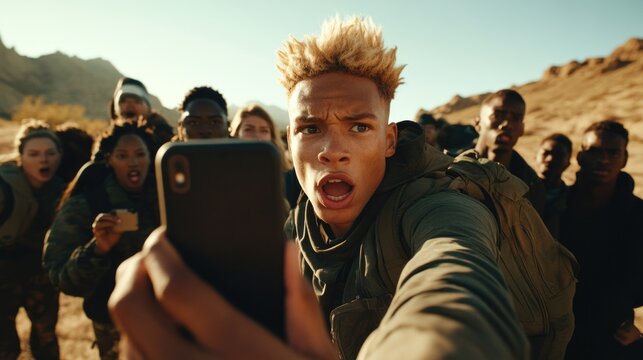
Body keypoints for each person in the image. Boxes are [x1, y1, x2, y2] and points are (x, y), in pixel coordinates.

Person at [109, 16, 528, 359]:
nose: (332, 151)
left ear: (389, 141)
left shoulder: (441, 207)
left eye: (359, 126)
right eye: (311, 128)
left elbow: (457, 284)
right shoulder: (295, 226)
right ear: (289, 141)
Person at [43, 123, 159, 360]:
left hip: (166, 319)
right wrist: (97, 249)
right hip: (113, 325)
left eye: (140, 154)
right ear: (109, 160)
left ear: (151, 158)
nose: (133, 162)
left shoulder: (170, 196)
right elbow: (61, 276)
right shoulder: (86, 204)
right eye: (122, 156)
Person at [559, 120, 643, 359]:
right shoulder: (557, 206)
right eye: (595, 151)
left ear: (624, 159)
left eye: (613, 152)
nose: (604, 159)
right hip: (554, 332)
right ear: (580, 156)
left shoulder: (638, 215)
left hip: (610, 338)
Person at [0, 120, 64, 359]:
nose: (43, 160)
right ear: (20, 157)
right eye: (34, 154)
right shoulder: (5, 187)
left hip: (40, 276)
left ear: (60, 155)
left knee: (46, 339)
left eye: (50, 153)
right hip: (3, 276)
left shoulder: (64, 189)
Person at [474, 89, 546, 215]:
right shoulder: (448, 167)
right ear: (478, 123)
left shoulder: (531, 185)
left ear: (522, 129)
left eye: (516, 118)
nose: (507, 124)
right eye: (498, 115)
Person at [230, 104, 300, 208]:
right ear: (236, 134)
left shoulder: (291, 179)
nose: (257, 136)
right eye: (249, 129)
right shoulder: (226, 177)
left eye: (264, 130)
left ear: (272, 137)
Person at [109, 77, 174, 149]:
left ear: (148, 108)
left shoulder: (166, 142)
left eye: (137, 101)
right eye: (123, 101)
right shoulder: (107, 141)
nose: (130, 105)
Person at [535, 133, 572, 239]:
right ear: (536, 156)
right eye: (546, 153)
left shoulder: (573, 198)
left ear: (568, 162)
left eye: (559, 155)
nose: (550, 159)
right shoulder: (519, 191)